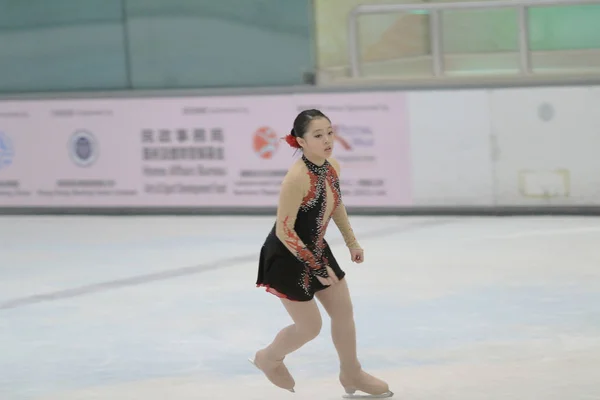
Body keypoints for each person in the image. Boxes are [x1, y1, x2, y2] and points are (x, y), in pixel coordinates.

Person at [250, 109, 393, 398]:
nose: (327, 139)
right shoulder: (295, 178)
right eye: (318, 135)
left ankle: (351, 373)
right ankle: (268, 358)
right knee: (309, 327)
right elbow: (284, 230)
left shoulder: (331, 166)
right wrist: (316, 267)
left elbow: (335, 203)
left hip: (315, 248)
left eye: (329, 132)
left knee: (343, 312)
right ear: (300, 142)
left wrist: (351, 241)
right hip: (286, 257)